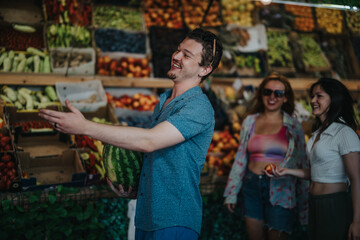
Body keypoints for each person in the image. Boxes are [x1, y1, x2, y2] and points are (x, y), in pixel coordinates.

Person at [39, 28, 223, 240]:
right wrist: (138, 188)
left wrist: (83, 127)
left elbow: (149, 141)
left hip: (174, 220)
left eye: (187, 54)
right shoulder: (164, 102)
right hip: (147, 217)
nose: (176, 56)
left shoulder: (198, 107)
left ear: (205, 69)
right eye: (178, 49)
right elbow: (160, 160)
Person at [266, 78, 360, 240]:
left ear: (334, 99)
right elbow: (318, 172)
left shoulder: (344, 133)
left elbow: (356, 178)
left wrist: (357, 221)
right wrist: (286, 171)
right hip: (315, 203)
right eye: (312, 96)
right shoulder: (318, 133)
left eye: (319, 96)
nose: (313, 101)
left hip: (334, 204)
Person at [223, 74, 309, 240]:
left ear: (285, 98)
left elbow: (302, 163)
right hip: (252, 185)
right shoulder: (249, 121)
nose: (272, 97)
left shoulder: (293, 126)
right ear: (261, 94)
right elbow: (241, 159)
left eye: (278, 94)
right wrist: (231, 192)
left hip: (281, 188)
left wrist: (305, 208)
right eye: (267, 92)